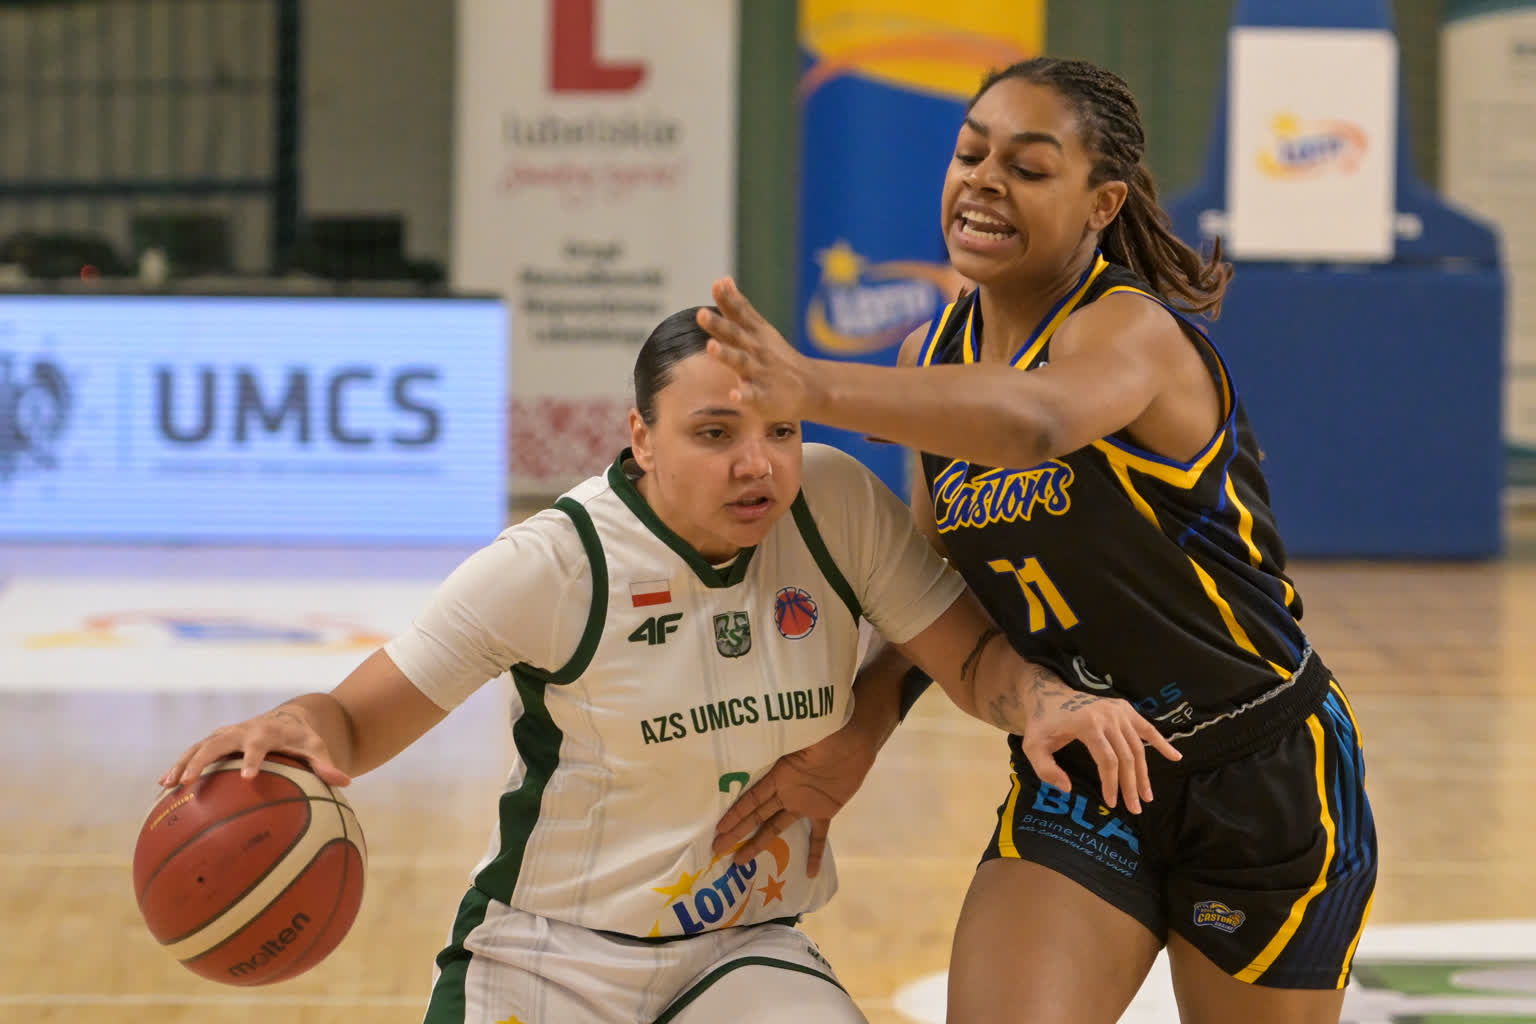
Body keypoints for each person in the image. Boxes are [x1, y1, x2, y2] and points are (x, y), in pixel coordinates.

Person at [158, 306, 1179, 1024]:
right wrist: (298, 725)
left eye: (781, 430)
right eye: (715, 433)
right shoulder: (556, 564)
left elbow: (971, 657)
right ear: (641, 438)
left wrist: (1044, 700)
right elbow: (356, 719)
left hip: (743, 948)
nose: (758, 462)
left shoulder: (835, 507)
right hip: (550, 957)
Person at [699, 57, 1377, 1024]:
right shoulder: (932, 355)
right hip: (1083, 767)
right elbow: (939, 587)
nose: (983, 180)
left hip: (1258, 767)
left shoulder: (1129, 333)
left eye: (1026, 166)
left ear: (1103, 203)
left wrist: (812, 386)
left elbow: (1036, 421)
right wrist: (862, 725)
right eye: (970, 153)